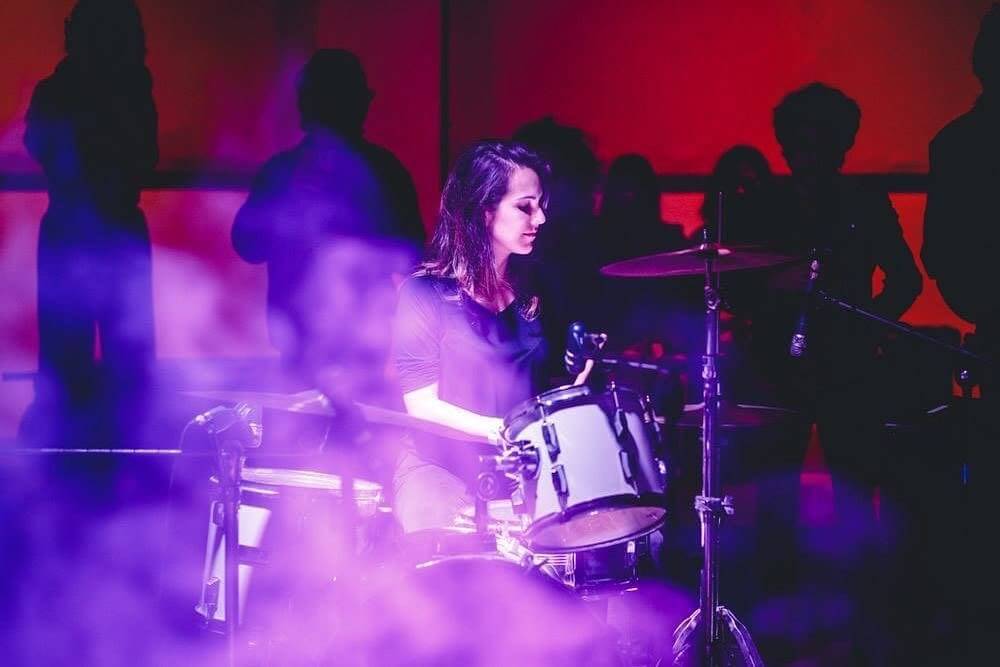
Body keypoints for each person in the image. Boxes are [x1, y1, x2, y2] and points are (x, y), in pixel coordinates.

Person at [232, 49, 424, 398]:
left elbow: (414, 261)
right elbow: (247, 243)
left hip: (359, 348)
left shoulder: (380, 173)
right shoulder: (288, 173)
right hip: (306, 347)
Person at [391, 140, 549, 533]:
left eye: (541, 204)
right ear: (485, 210)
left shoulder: (531, 290)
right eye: (525, 206)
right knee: (447, 570)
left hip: (520, 471)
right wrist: (501, 430)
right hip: (440, 468)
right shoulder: (424, 293)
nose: (540, 218)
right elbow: (421, 405)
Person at [20, 0, 158, 447]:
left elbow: (38, 144)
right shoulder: (132, 87)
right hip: (111, 225)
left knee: (72, 354)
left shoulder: (57, 91)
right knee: (123, 352)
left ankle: (71, 447)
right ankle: (123, 445)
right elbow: (146, 154)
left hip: (74, 226)